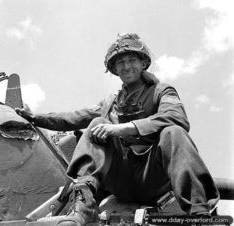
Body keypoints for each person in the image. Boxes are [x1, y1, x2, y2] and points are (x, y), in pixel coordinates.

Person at [16, 33, 219, 226]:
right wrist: (34, 117)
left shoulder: (161, 91)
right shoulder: (110, 102)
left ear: (143, 63)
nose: (126, 66)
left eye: (132, 60)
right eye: (120, 62)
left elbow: (176, 117)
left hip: (154, 177)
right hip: (120, 180)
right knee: (95, 124)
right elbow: (73, 118)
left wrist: (122, 129)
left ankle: (198, 213)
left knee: (173, 132)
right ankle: (84, 207)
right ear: (114, 69)